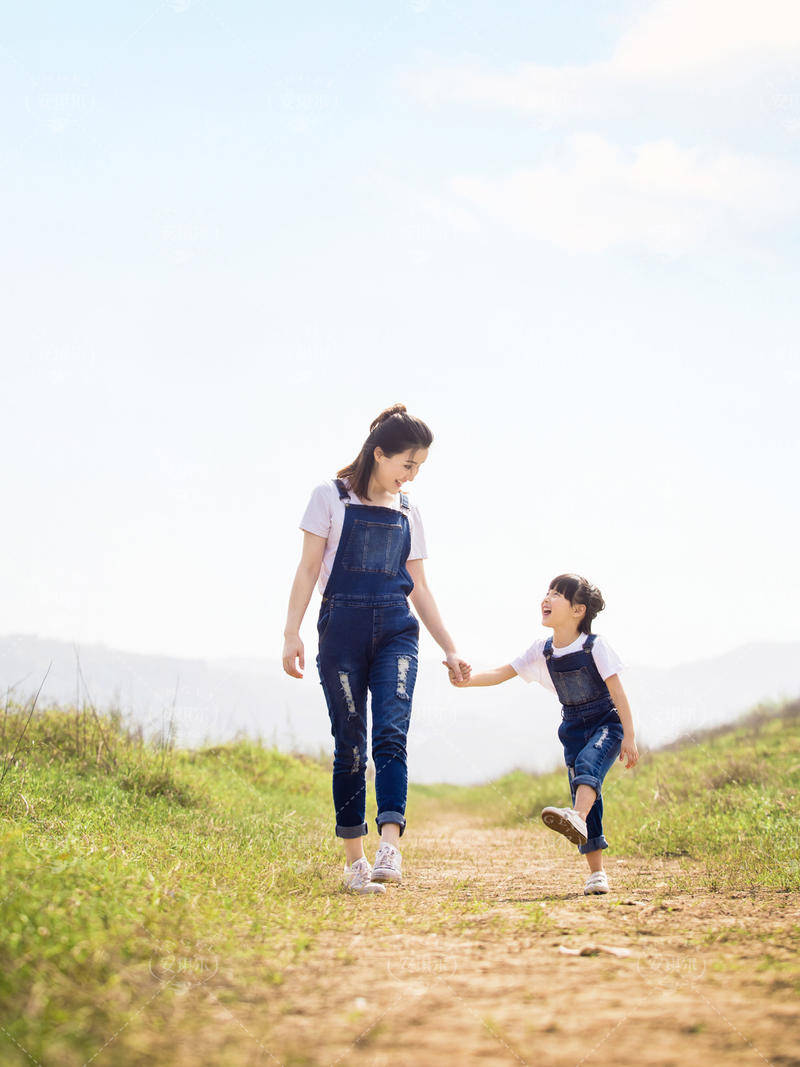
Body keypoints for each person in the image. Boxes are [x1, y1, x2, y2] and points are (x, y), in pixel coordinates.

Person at [283, 404, 471, 895]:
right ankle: (354, 863)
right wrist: (291, 632)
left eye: (419, 468)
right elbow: (306, 570)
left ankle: (390, 845)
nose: (411, 477)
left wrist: (449, 649)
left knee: (391, 734)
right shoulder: (329, 496)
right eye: (407, 465)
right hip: (339, 629)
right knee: (350, 745)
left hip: (396, 632)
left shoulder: (409, 510)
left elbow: (420, 588)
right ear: (379, 453)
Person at [446, 574, 638, 895]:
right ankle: (597, 873)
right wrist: (467, 681)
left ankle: (575, 816)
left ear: (578, 610)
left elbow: (618, 693)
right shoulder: (542, 650)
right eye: (547, 592)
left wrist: (629, 737)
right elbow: (501, 673)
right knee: (587, 793)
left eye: (557, 594)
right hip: (573, 727)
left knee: (589, 769)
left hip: (606, 723)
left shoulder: (595, 646)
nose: (546, 598)